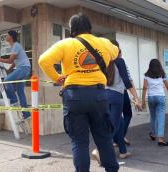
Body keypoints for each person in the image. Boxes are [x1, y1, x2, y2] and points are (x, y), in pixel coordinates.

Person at [39, 14, 119, 172]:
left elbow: (43, 60)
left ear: (72, 30)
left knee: (79, 142)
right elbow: (116, 52)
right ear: (90, 28)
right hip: (98, 95)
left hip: (74, 96)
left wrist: (57, 78)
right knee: (104, 139)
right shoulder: (103, 43)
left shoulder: (66, 44)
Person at [92, 40, 142, 161]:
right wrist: (136, 98)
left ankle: (123, 151)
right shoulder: (120, 61)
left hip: (103, 96)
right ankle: (98, 150)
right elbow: (127, 81)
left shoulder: (103, 61)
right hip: (116, 96)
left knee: (118, 123)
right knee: (113, 126)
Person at [0, 30, 31, 119]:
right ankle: (26, 114)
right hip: (25, 68)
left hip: (23, 68)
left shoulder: (16, 45)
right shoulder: (15, 46)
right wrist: (9, 70)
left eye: (7, 35)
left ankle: (13, 100)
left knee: (6, 81)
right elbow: (15, 62)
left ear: (11, 37)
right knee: (20, 92)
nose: (6, 37)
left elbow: (10, 60)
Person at [142, 59, 168, 146]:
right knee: (161, 118)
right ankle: (160, 139)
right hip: (161, 97)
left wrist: (143, 101)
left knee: (153, 117)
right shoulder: (162, 74)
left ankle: (153, 134)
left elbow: (145, 88)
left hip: (151, 98)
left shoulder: (146, 75)